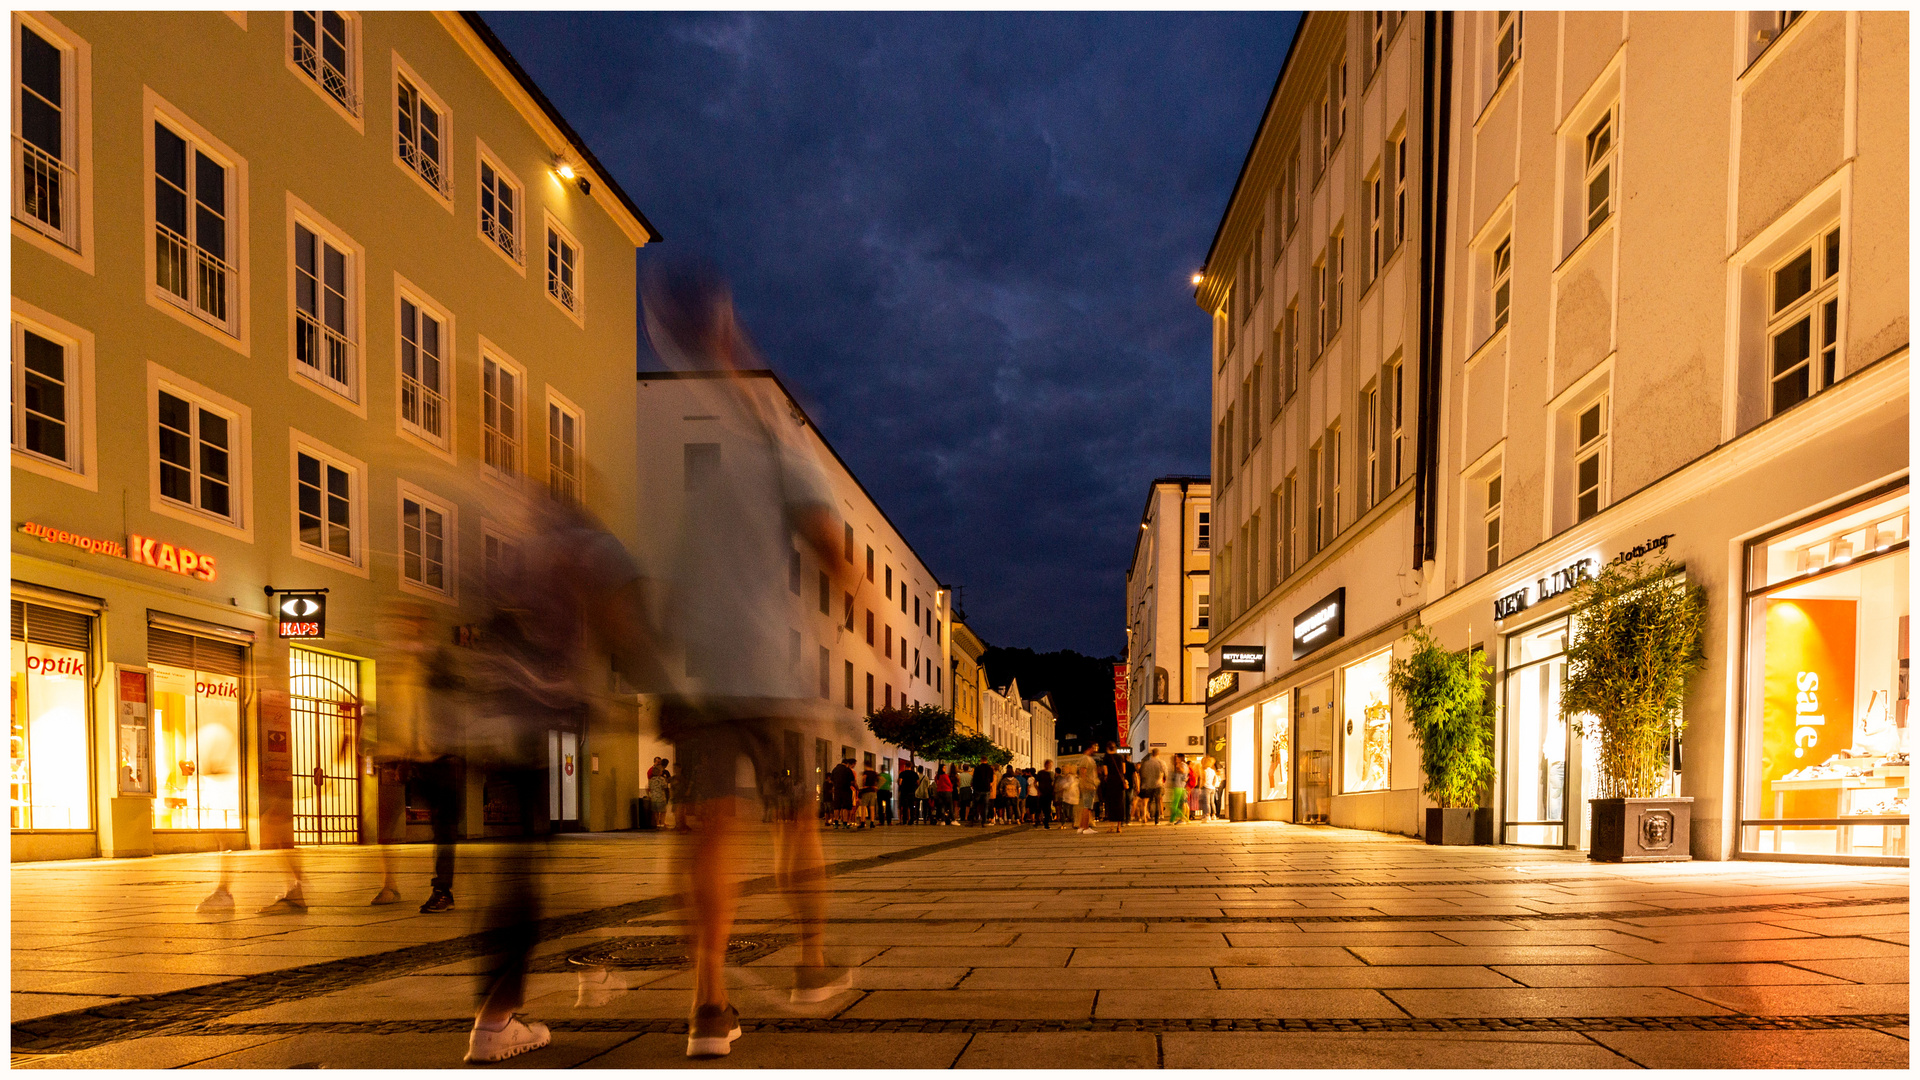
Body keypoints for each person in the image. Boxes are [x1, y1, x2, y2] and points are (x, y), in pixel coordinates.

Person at [644, 263, 858, 1059]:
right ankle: (808, 963)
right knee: (797, 821)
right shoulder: (772, 425)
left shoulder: (675, 435)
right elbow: (828, 543)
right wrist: (850, 585)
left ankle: (708, 1003)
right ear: (729, 327)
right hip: (768, 668)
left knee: (707, 832)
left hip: (697, 672)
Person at [1137, 747, 1166, 826]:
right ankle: (1156, 821)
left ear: (1152, 754)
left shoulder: (1146, 763)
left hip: (1147, 785)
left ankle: (1144, 816)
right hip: (1157, 784)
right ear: (1158, 753)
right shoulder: (1161, 762)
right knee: (1157, 802)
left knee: (1146, 802)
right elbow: (1165, 774)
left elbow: (1141, 773)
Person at [829, 757, 857, 828]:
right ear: (847, 764)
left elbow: (831, 780)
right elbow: (852, 781)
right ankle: (845, 823)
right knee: (845, 807)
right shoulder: (848, 770)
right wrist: (857, 789)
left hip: (837, 790)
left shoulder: (835, 770)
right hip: (846, 790)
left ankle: (835, 822)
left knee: (837, 807)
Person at [970, 759, 994, 826]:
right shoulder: (990, 769)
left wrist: (974, 787)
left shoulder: (977, 768)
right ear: (986, 760)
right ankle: (984, 821)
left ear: (981, 760)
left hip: (978, 789)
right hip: (986, 789)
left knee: (975, 805)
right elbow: (991, 780)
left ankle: (973, 819)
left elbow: (974, 779)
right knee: (985, 805)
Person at [1033, 761, 1055, 829]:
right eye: (1049, 764)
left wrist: (1053, 792)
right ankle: (1037, 821)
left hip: (1048, 793)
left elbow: (1053, 783)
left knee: (1047, 809)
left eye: (1051, 765)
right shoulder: (1041, 773)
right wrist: (1038, 791)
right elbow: (1035, 783)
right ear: (1046, 765)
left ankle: (1046, 823)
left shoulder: (1051, 774)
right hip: (1042, 793)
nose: (1050, 766)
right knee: (1039, 808)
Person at [857, 761, 879, 828]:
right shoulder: (875, 773)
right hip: (873, 791)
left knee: (863, 807)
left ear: (866, 765)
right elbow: (879, 780)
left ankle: (863, 822)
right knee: (872, 807)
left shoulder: (865, 772)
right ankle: (872, 822)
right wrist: (876, 786)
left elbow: (864, 779)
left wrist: (863, 786)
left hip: (866, 791)